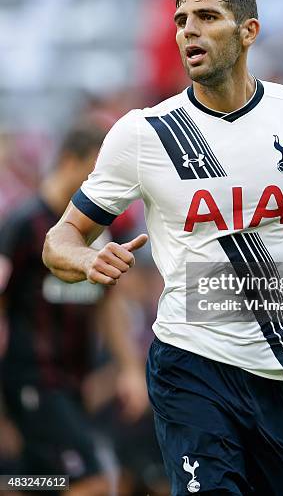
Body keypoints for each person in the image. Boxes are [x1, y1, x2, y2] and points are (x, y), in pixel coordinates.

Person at [43, 0, 283, 495]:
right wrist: (87, 260)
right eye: (181, 19)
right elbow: (60, 239)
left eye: (208, 17)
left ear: (248, 32)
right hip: (192, 364)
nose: (189, 29)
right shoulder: (144, 134)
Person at [0, 124, 148, 496]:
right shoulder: (22, 226)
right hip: (32, 379)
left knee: (35, 483)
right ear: (68, 162)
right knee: (94, 482)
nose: (102, 184)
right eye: (93, 171)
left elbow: (108, 305)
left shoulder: (101, 233)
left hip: (72, 382)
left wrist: (130, 369)